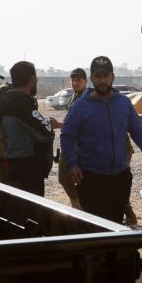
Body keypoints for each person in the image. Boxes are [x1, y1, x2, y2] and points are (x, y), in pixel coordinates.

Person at [60, 56, 142, 224]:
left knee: (115, 222)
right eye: (98, 76)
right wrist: (71, 163)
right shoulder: (80, 107)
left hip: (120, 176)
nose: (102, 80)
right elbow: (67, 136)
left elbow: (137, 129)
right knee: (98, 227)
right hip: (91, 177)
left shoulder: (123, 103)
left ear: (113, 77)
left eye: (106, 76)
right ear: (92, 78)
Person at [0, 60, 54, 195]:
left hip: (11, 165)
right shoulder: (22, 103)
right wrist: (49, 123)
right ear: (32, 79)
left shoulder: (4, 99)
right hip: (28, 169)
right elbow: (45, 133)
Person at [56, 67, 89, 209]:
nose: (75, 83)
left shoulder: (87, 98)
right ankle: (77, 204)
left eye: (78, 80)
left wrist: (59, 124)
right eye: (73, 80)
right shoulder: (75, 97)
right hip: (71, 142)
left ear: (85, 81)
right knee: (65, 177)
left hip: (81, 144)